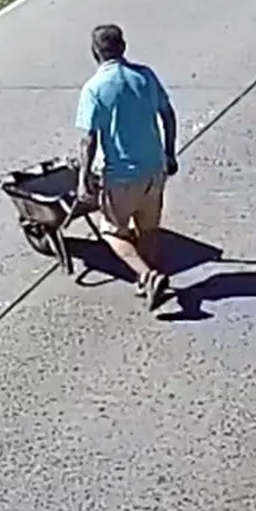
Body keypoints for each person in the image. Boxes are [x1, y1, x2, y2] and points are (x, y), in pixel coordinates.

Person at [75, 24, 178, 307]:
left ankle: (148, 276)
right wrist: (169, 154)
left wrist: (83, 179)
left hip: (121, 175)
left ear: (95, 52)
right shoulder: (145, 76)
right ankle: (146, 281)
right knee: (148, 229)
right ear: (123, 47)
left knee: (111, 231)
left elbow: (88, 140)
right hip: (154, 169)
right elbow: (168, 114)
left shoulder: (94, 88)